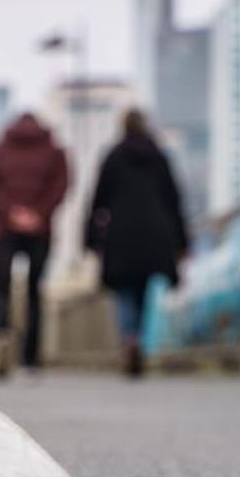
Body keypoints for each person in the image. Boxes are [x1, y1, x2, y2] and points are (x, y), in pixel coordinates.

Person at [84, 108, 188, 378]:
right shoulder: (160, 157)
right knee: (142, 292)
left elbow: (97, 201)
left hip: (120, 235)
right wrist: (182, 242)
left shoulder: (113, 156)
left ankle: (128, 339)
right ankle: (138, 339)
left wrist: (91, 239)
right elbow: (174, 201)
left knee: (124, 293)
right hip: (154, 236)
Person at [0, 112, 69, 379]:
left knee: (1, 288)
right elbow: (61, 186)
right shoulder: (56, 152)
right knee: (35, 293)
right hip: (40, 230)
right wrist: (38, 214)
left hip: (4, 229)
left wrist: (9, 213)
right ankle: (31, 359)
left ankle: (2, 346)